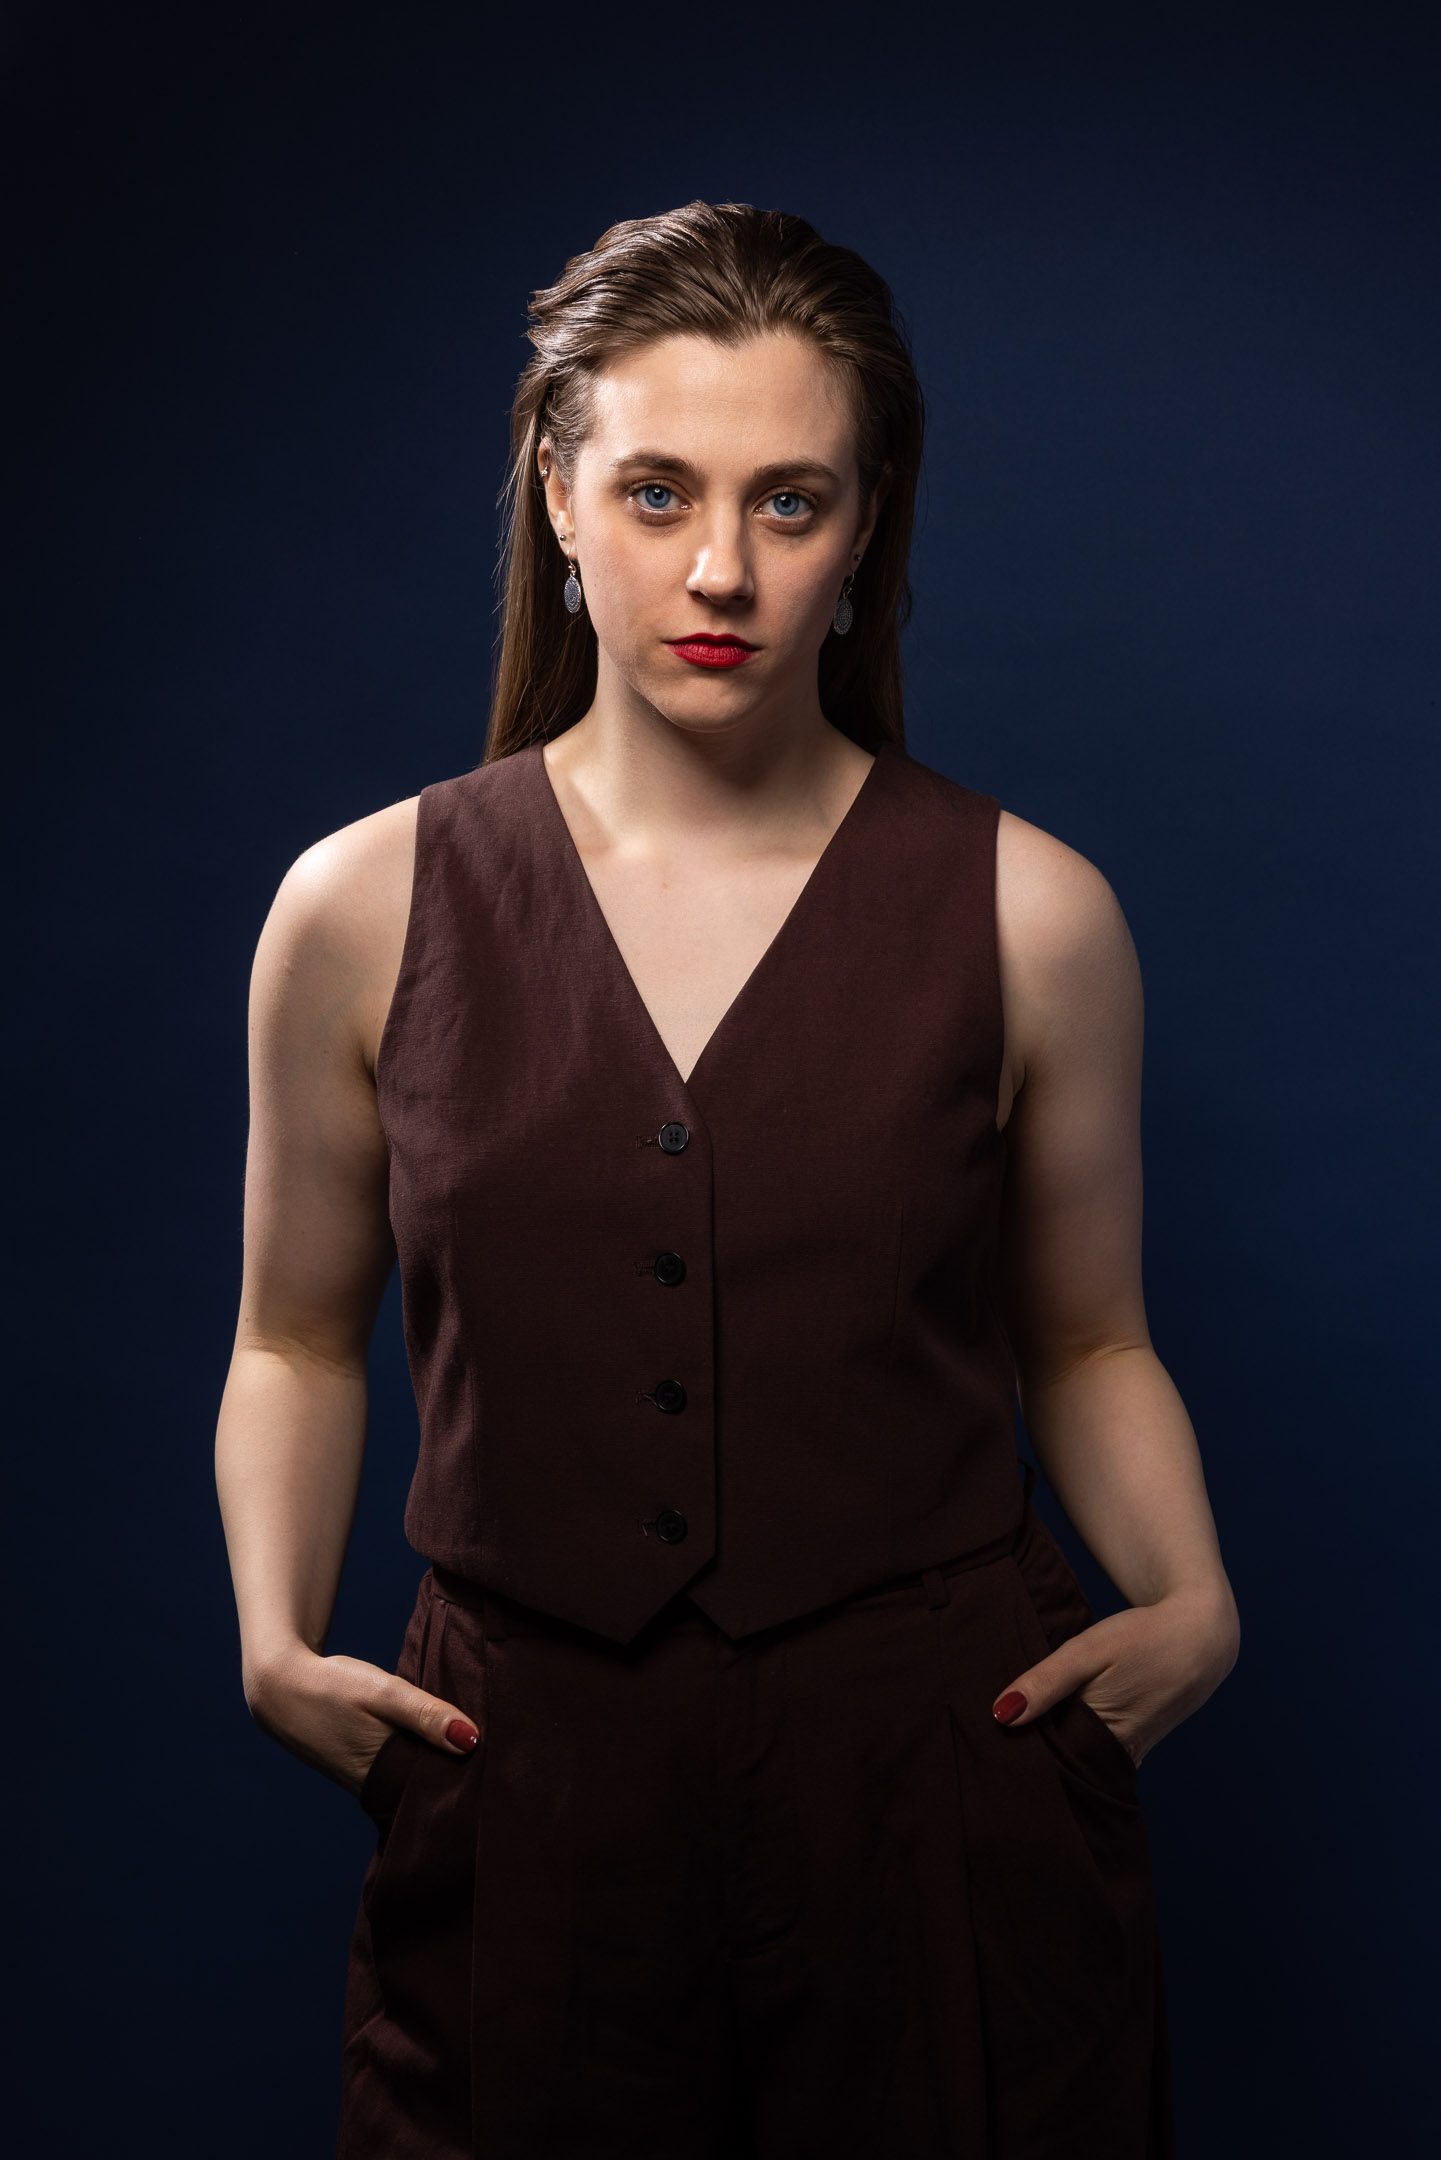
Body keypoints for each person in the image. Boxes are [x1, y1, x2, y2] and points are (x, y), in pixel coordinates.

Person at [215, 200, 1240, 2159]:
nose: (719, 571)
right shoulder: (358, 907)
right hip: (525, 1779)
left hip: (931, 1790)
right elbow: (292, 1335)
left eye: (789, 502)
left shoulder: (1034, 913)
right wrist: (272, 1634)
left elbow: (1090, 1339)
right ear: (558, 492)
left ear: (864, 525)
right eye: (658, 491)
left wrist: (1191, 1597)